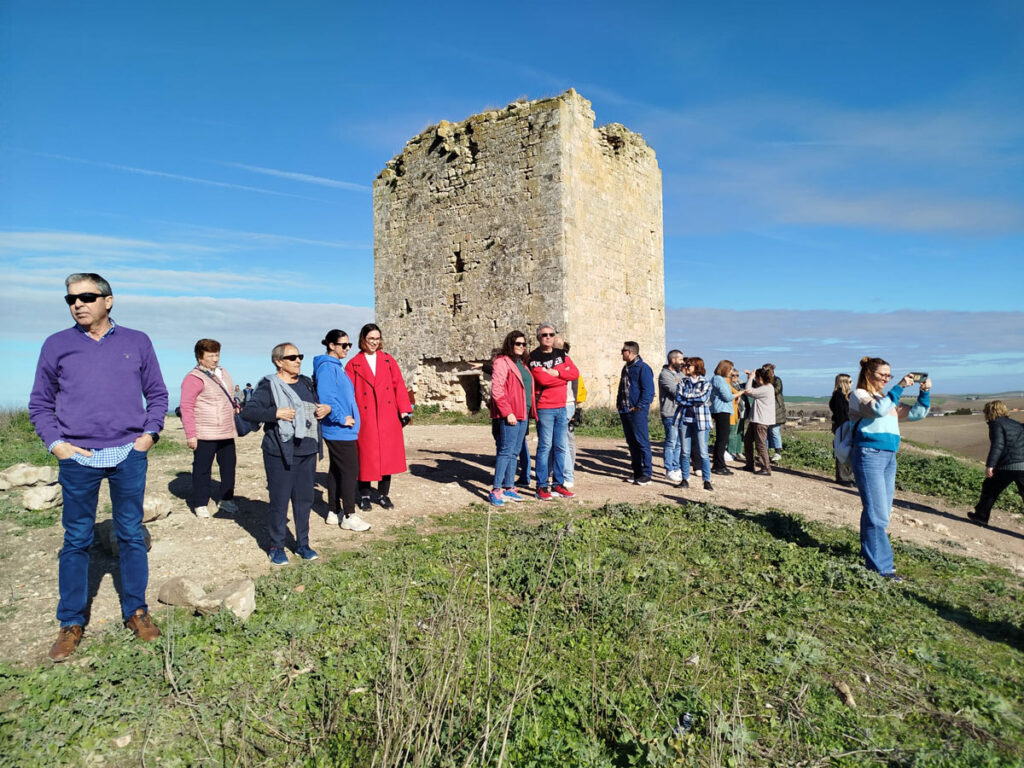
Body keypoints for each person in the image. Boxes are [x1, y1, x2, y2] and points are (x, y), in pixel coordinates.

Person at [29, 272, 168, 661]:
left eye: (87, 297)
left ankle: (136, 612)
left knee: (130, 533)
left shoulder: (136, 341)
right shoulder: (56, 345)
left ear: (108, 300)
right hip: (78, 458)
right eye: (71, 299)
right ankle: (71, 622)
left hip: (128, 454)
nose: (78, 304)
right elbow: (40, 402)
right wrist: (58, 445)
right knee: (76, 539)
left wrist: (148, 436)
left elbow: (157, 393)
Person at [241, 343, 329, 565]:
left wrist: (326, 409)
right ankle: (276, 546)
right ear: (278, 362)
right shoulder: (268, 385)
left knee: (304, 500)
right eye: (292, 357)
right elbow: (249, 411)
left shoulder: (306, 383)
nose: (298, 360)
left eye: (299, 356)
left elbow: (316, 406)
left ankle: (303, 544)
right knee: (279, 501)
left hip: (307, 450)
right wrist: (275, 413)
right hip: (280, 452)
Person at [848, 357, 930, 580]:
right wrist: (900, 386)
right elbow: (877, 410)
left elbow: (917, 413)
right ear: (869, 374)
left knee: (879, 511)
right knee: (878, 514)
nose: (886, 379)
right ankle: (882, 568)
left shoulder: (886, 399)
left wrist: (924, 393)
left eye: (889, 375)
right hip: (869, 454)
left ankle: (871, 556)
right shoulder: (859, 395)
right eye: (883, 374)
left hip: (888, 457)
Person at [346, 324, 413, 510]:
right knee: (365, 457)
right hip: (365, 417)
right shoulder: (353, 364)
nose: (374, 342)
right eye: (371, 339)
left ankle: (383, 495)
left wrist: (404, 410)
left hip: (387, 415)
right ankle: (365, 495)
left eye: (377, 338)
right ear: (363, 340)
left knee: (387, 457)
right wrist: (349, 415)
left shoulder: (388, 361)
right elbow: (348, 392)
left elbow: (399, 385)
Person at [314, 330, 370, 532]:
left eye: (349, 345)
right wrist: (341, 418)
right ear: (331, 345)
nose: (347, 349)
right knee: (350, 470)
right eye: (343, 345)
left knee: (337, 469)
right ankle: (349, 515)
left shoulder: (335, 366)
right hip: (338, 428)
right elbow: (327, 397)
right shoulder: (327, 368)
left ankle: (333, 511)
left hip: (341, 428)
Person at [179, 339, 239, 518]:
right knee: (202, 468)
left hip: (226, 429)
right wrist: (191, 434)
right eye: (211, 355)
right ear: (200, 357)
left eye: (217, 354)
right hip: (205, 431)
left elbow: (229, 396)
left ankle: (227, 499)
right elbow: (186, 407)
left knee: (229, 466)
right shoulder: (194, 378)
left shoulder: (223, 372)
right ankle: (200, 503)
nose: (215, 359)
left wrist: (235, 406)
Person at [529, 324, 578, 500]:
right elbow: (542, 380)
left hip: (561, 407)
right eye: (544, 335)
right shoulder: (533, 357)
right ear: (538, 338)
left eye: (551, 334)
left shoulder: (561, 354)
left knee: (561, 446)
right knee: (545, 446)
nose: (548, 337)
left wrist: (556, 373)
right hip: (545, 408)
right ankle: (541, 486)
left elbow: (575, 373)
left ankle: (558, 484)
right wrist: (562, 376)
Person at [488, 330, 535, 506]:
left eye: (524, 344)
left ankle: (509, 487)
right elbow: (497, 389)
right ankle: (496, 490)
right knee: (505, 451)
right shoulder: (502, 362)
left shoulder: (522, 364)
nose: (522, 347)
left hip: (523, 413)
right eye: (518, 344)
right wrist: (507, 412)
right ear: (510, 344)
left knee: (515, 452)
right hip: (511, 414)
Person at [968, 400, 1024, 526]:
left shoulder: (996, 424)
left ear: (990, 411)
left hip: (1007, 466)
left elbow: (998, 445)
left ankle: (981, 516)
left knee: (990, 488)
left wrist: (990, 465)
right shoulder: (1016, 424)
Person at [617, 340, 655, 485]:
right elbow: (622, 387)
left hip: (637, 412)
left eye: (623, 351)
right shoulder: (626, 368)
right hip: (625, 410)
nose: (621, 353)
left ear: (630, 352)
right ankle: (637, 472)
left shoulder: (643, 368)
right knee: (632, 442)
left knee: (642, 442)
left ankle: (646, 474)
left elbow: (648, 391)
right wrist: (619, 404)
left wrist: (639, 407)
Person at [676, 357, 713, 490]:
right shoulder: (682, 382)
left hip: (701, 421)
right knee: (685, 452)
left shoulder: (706, 383)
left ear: (697, 367)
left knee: (703, 452)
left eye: (688, 365)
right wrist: (693, 397)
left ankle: (707, 480)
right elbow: (678, 398)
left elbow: (703, 399)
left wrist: (687, 397)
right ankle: (685, 479)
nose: (685, 367)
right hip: (685, 420)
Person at [742, 366, 776, 476]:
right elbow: (754, 388)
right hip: (756, 419)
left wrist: (750, 378)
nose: (755, 380)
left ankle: (765, 467)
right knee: (747, 441)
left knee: (760, 445)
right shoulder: (766, 387)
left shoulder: (766, 388)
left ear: (760, 378)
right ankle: (750, 464)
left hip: (761, 421)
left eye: (756, 378)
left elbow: (748, 391)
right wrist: (750, 377)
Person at [658, 350, 686, 483]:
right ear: (673, 360)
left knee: (679, 443)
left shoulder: (680, 374)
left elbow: (688, 387)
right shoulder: (665, 374)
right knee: (671, 442)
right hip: (670, 413)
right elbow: (676, 391)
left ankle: (676, 467)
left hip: (681, 412)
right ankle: (669, 469)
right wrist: (683, 386)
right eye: (680, 359)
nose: (683, 362)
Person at [710, 360, 739, 475]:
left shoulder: (718, 379)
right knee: (722, 440)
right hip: (722, 411)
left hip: (721, 410)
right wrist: (739, 393)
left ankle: (719, 464)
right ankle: (719, 465)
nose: (731, 372)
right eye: (730, 369)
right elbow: (727, 397)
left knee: (721, 439)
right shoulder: (719, 380)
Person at [829, 373, 855, 486]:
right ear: (844, 383)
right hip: (842, 426)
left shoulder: (845, 396)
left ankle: (850, 477)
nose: (852, 383)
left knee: (849, 451)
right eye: (850, 381)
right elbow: (842, 413)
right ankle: (843, 477)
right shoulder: (839, 396)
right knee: (842, 450)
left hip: (846, 425)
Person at [763, 363, 786, 461]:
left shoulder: (777, 380)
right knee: (766, 432)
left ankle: (778, 452)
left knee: (774, 431)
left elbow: (777, 390)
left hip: (776, 410)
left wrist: (765, 388)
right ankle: (765, 453)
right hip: (766, 409)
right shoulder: (762, 380)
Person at [728, 369, 745, 461]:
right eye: (733, 375)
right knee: (732, 432)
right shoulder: (728, 385)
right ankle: (731, 451)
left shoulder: (740, 384)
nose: (735, 377)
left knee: (740, 432)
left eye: (737, 375)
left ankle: (739, 451)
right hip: (733, 410)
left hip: (741, 411)